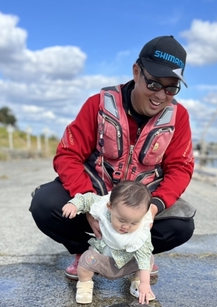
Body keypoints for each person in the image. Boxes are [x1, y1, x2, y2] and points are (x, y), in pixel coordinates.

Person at [30, 35, 196, 284]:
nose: (160, 95)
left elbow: (181, 169)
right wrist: (88, 207)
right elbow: (68, 155)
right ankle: (85, 253)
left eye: (171, 88)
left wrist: (153, 209)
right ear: (137, 71)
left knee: (182, 225)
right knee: (44, 204)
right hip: (95, 195)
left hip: (139, 206)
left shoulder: (179, 116)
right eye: (154, 84)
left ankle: (137, 255)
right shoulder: (97, 104)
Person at [62, 181, 155, 304]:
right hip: (102, 259)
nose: (126, 227)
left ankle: (137, 282)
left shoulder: (141, 232)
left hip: (128, 262)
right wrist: (73, 205)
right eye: (121, 220)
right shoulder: (102, 206)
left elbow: (143, 257)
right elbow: (87, 199)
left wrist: (145, 283)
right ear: (110, 207)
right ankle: (85, 284)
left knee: (148, 260)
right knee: (86, 260)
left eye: (134, 223)